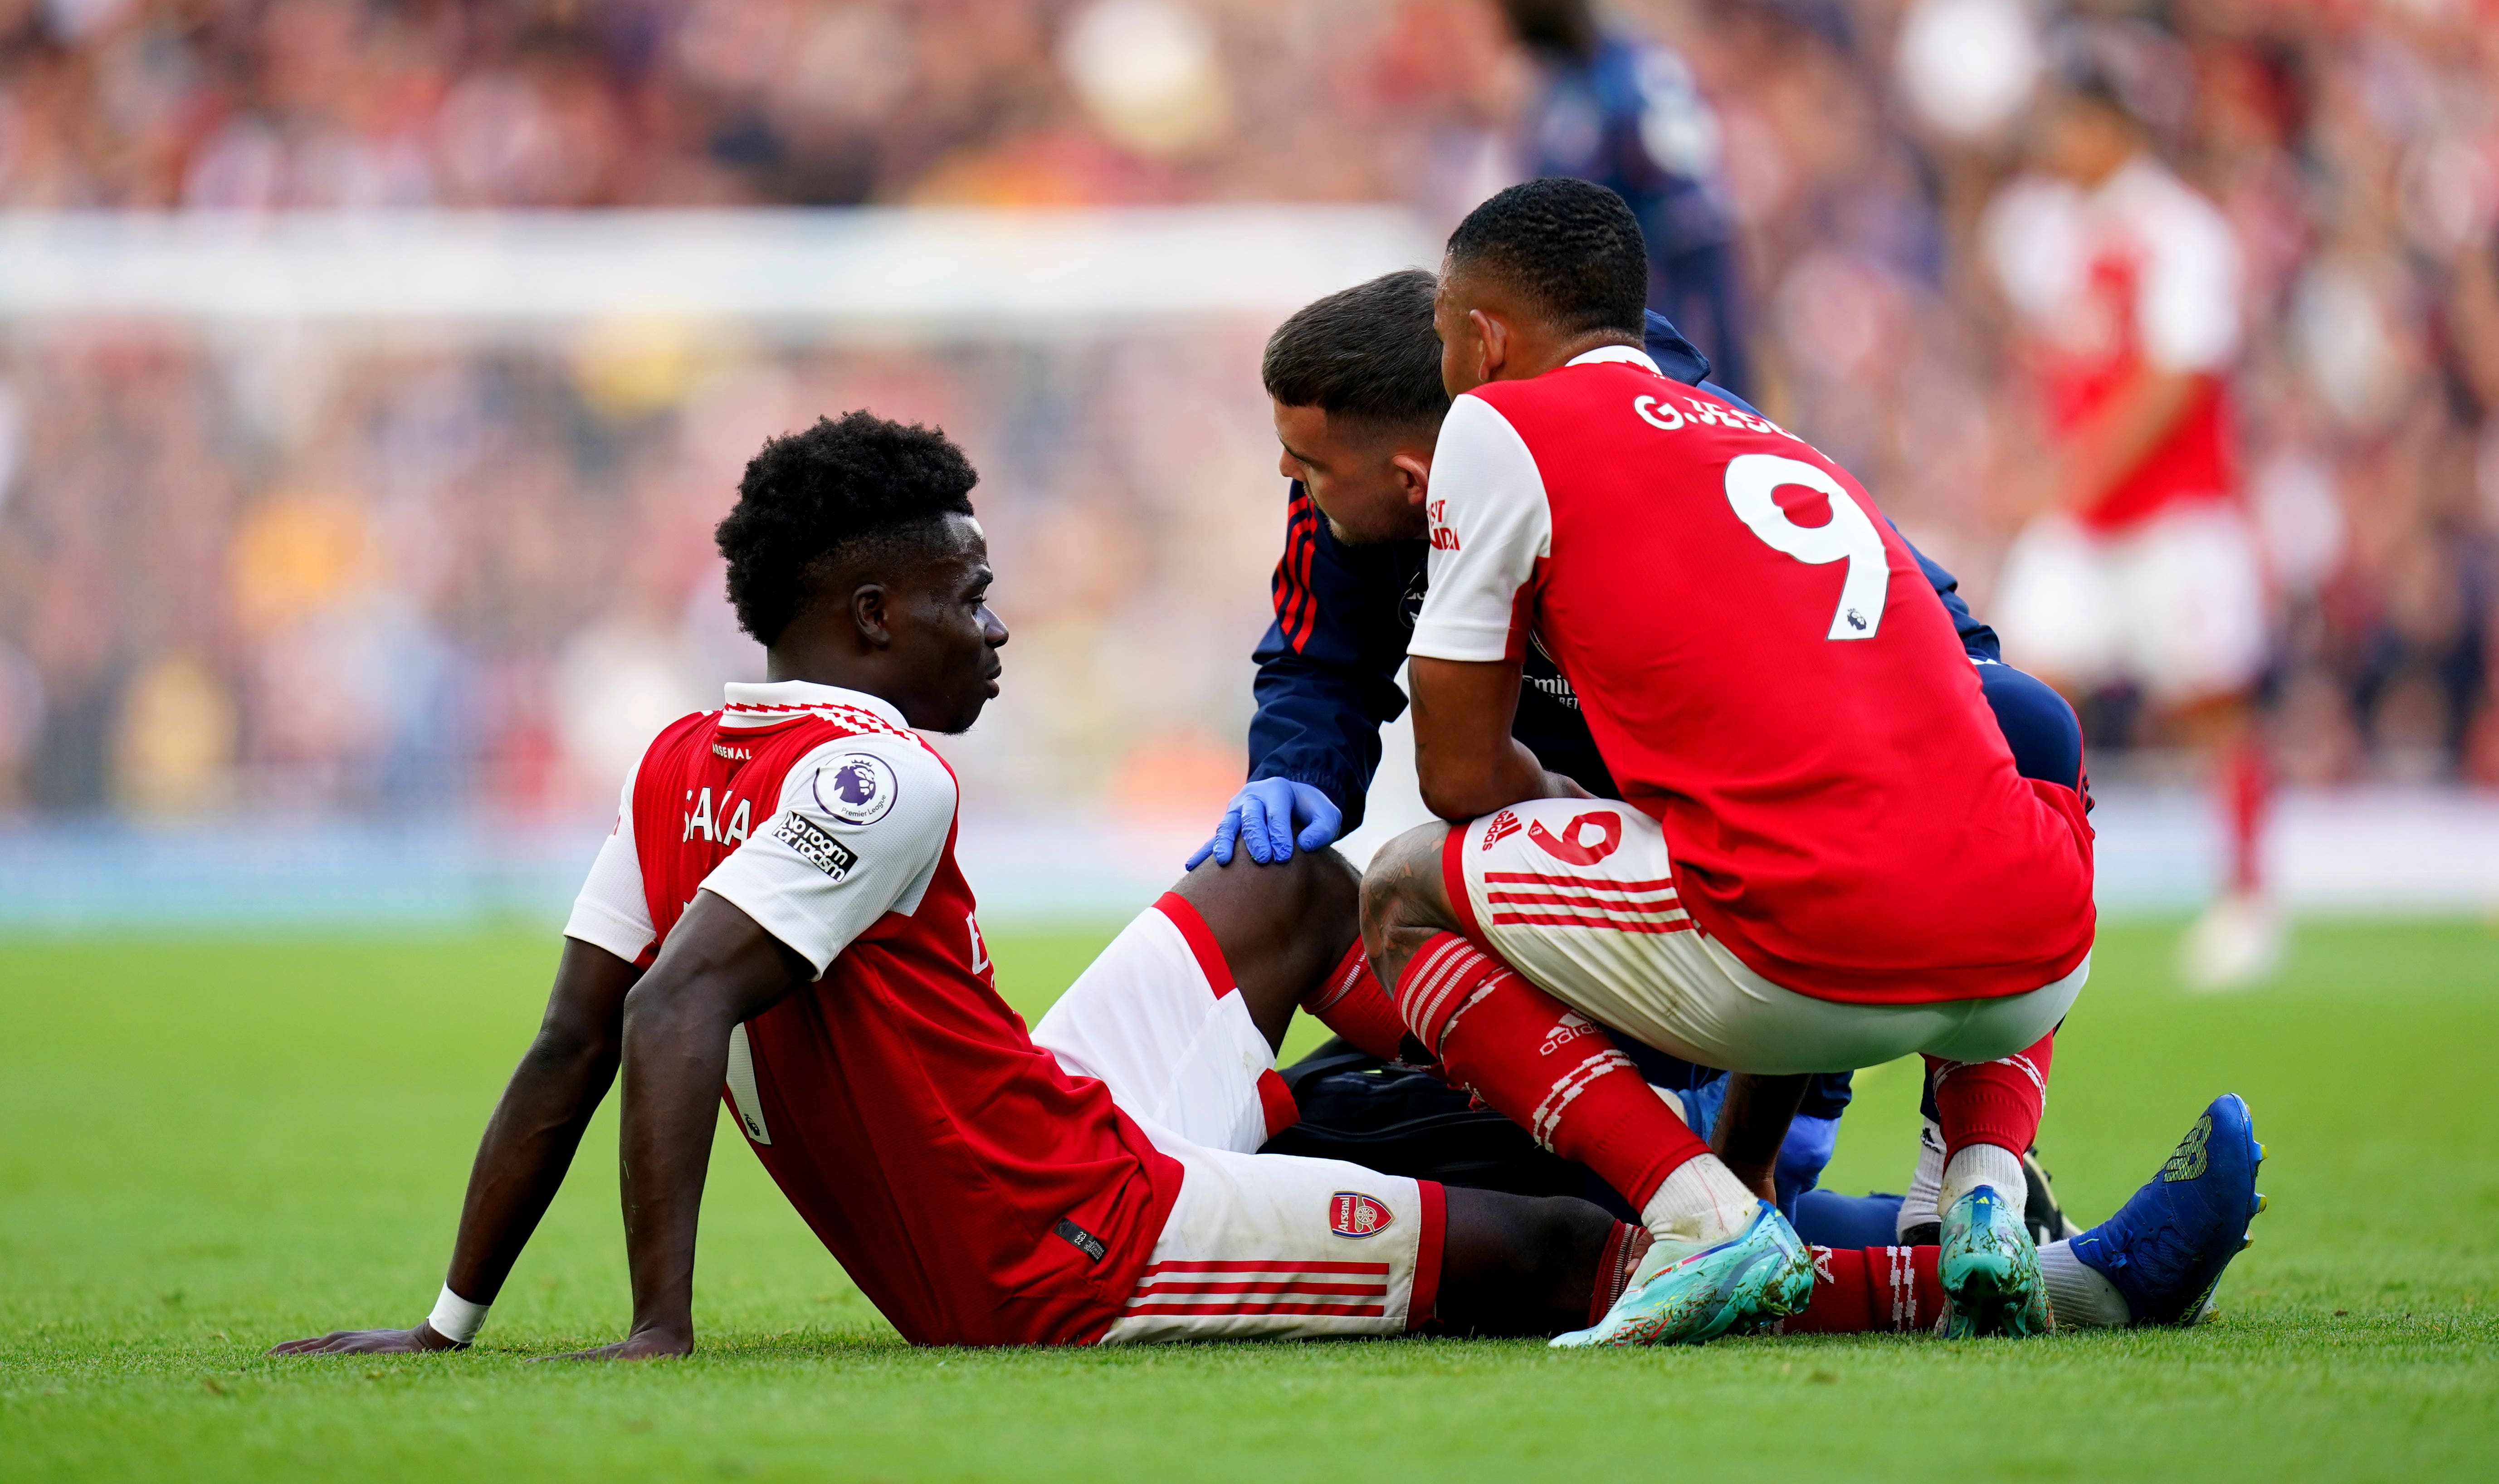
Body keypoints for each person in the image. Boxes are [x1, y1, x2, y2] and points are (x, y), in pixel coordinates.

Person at [265, 410, 2263, 1358]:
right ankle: (1993, 1275)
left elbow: (573, 1031)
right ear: (865, 615)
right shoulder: (878, 770)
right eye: (967, 589)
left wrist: (449, 1323)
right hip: (1067, 1239)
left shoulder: (676, 759)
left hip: (1038, 1113)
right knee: (1543, 1256)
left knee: (1296, 892)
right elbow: (674, 1010)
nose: (1001, 620)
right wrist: (656, 1336)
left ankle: (1535, 1139)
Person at [1196, 266, 2084, 1251]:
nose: (1292, 481)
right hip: (1590, 913)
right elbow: (1317, 658)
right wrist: (1297, 768)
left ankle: (1944, 1189)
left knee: (1639, 1176)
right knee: (1349, 1138)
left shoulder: (1669, 441)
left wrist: (1935, 705)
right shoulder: (1358, 480)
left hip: (1751, 889)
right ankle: (1958, 1230)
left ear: (1413, 469)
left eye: (1304, 465)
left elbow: (1958, 670)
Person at [1981, 71, 2274, 990]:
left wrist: (2070, 474)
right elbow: (2061, 368)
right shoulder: (2063, 234)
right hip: (2085, 519)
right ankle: (2022, 896)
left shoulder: (2176, 231)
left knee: (2207, 705)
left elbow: (2175, 379)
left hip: (2174, 515)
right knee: (2018, 692)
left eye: (2066, 128)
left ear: (2108, 127)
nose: (2053, 148)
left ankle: (2247, 897)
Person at [1487, 0, 1751, 400]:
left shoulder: (1640, 87)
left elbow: (1705, 246)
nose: (1501, 6)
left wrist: (1733, 397)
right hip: (1584, 385)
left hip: (1660, 386)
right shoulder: (1551, 94)